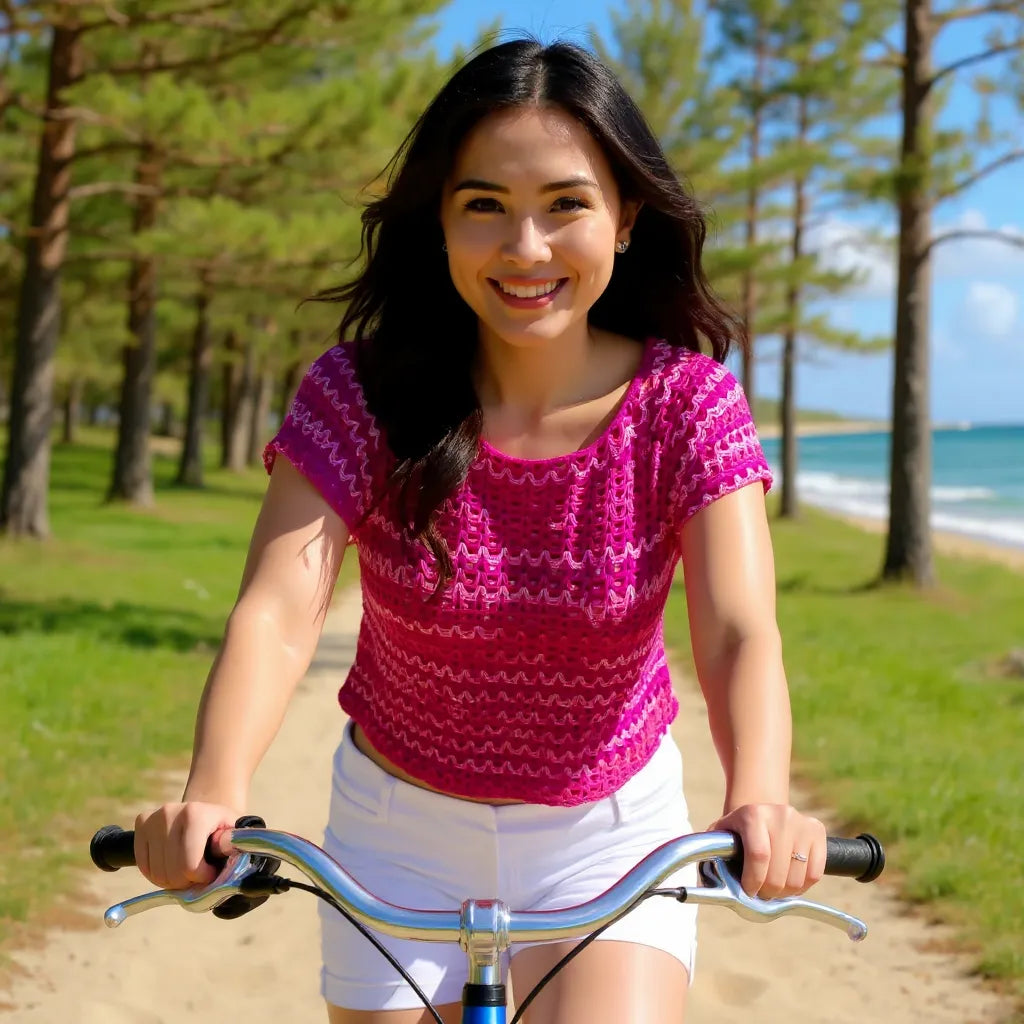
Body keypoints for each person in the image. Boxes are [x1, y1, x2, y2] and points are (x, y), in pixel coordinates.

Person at [133, 38, 827, 1024]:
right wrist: (212, 788)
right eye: (485, 206)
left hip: (607, 833)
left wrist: (761, 790)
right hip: (395, 832)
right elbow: (281, 610)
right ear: (441, 222)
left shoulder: (687, 405)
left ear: (626, 217)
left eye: (566, 204)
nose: (526, 248)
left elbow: (736, 629)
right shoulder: (358, 392)